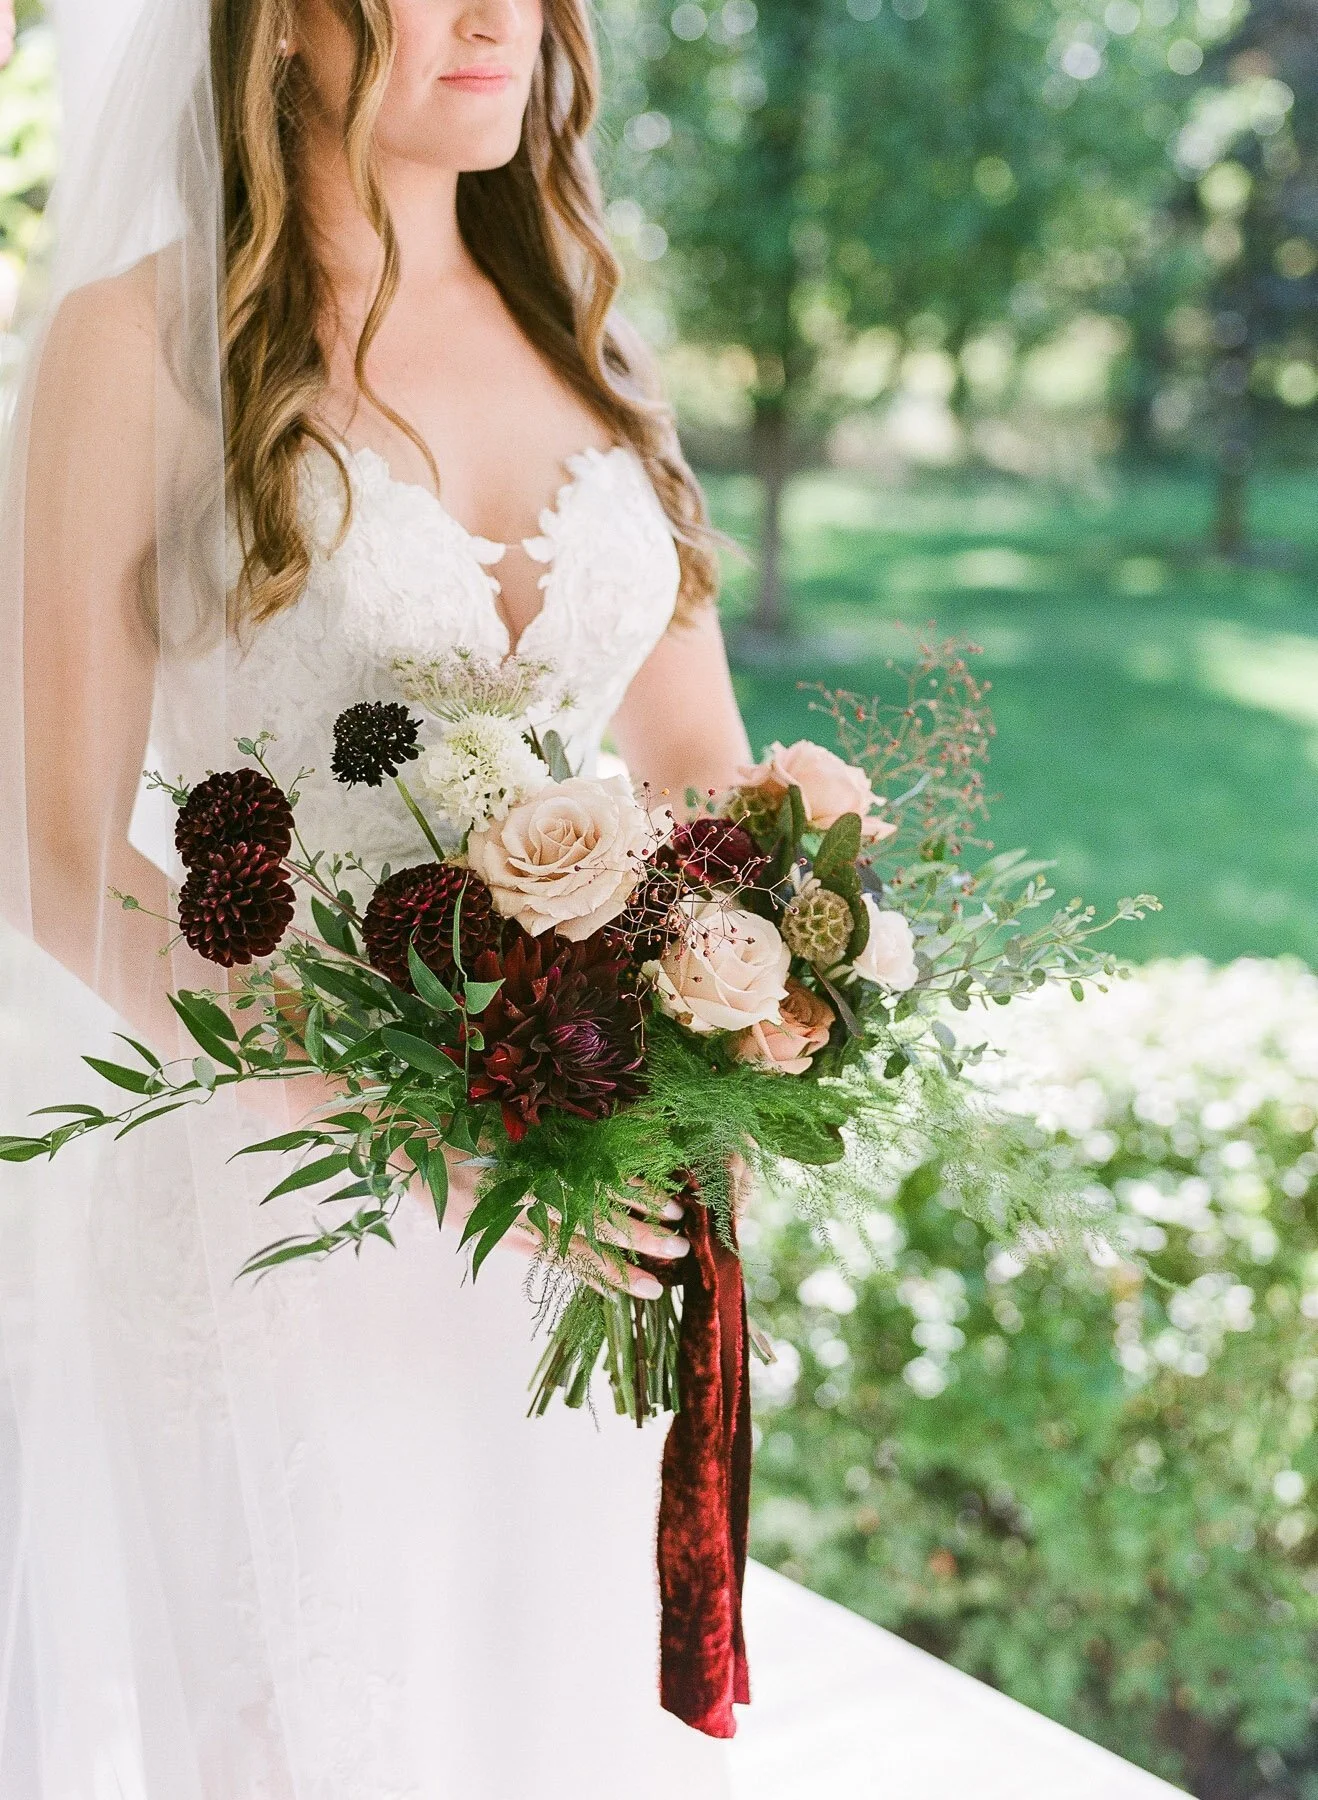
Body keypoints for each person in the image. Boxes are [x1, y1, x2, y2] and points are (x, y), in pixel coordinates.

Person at [0, 2, 751, 1792]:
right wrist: (396, 1112)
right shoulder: (142, 348)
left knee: (541, 1731)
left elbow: (707, 782)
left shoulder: (590, 342)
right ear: (277, 30)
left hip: (569, 1227)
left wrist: (764, 992)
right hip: (280, 1204)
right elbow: (55, 859)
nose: (499, 15)